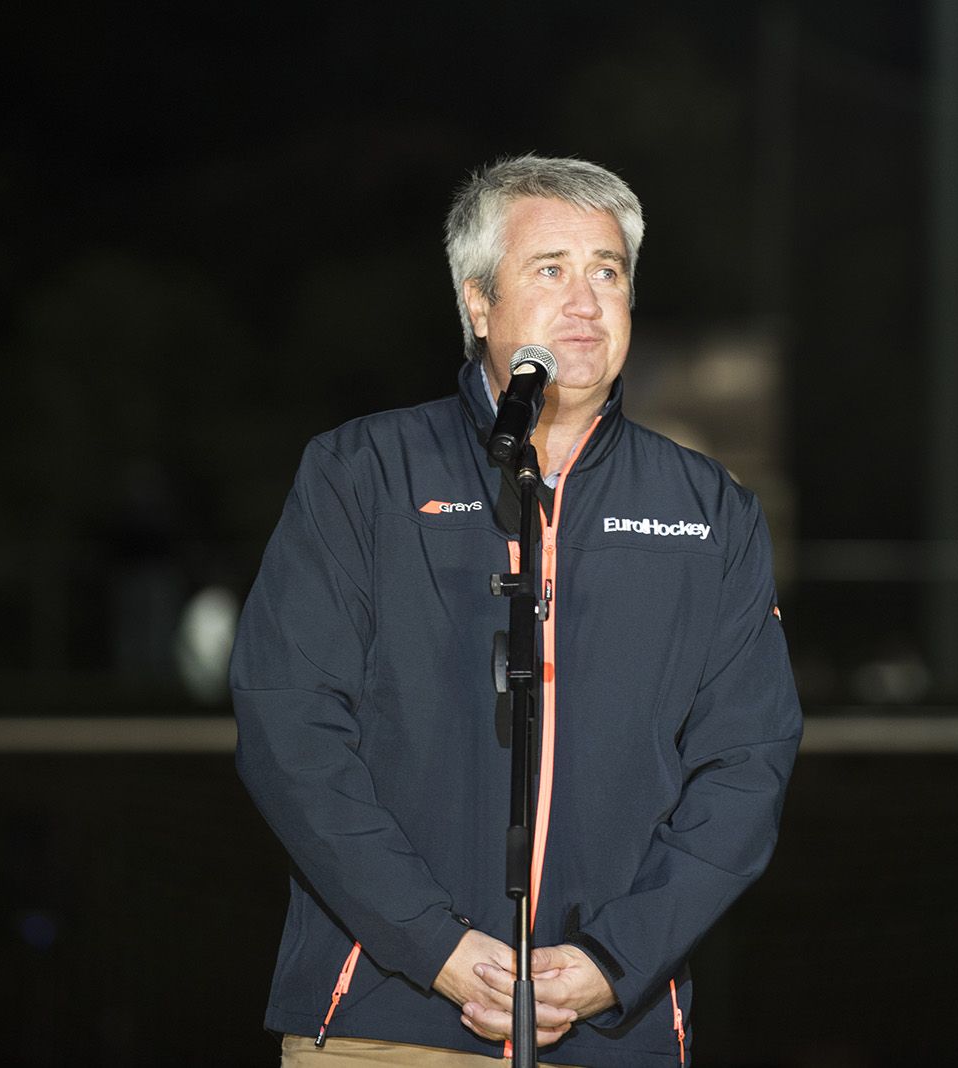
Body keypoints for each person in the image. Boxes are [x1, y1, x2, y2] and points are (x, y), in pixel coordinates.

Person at [232, 155, 802, 1067]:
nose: (586, 300)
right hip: (387, 1018)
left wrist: (614, 961)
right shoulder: (362, 475)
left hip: (618, 1031)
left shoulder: (709, 509)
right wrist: (439, 949)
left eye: (608, 271)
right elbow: (288, 724)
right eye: (551, 269)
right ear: (477, 304)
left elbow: (748, 764)